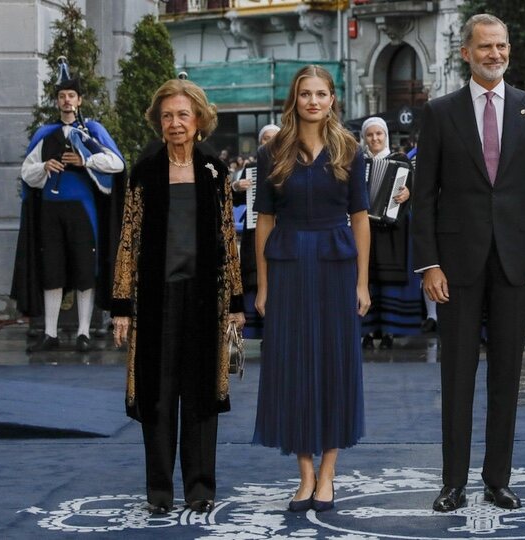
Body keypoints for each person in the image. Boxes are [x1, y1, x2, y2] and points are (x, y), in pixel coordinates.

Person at [412, 14, 525, 512]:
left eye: (501, 46)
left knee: (507, 375)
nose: (494, 54)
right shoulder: (439, 112)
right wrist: (429, 264)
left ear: (509, 50)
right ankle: (452, 481)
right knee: (455, 376)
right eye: (485, 47)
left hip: (516, 263)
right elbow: (425, 197)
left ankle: (498, 478)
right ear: (466, 53)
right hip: (455, 265)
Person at [111, 78, 244, 515]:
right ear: (158, 121)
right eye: (167, 116)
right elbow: (128, 236)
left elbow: (228, 236)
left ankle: (201, 487)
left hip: (205, 298)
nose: (175, 123)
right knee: (158, 395)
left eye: (183, 115)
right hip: (155, 300)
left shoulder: (213, 168)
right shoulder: (146, 167)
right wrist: (122, 306)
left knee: (202, 394)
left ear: (199, 120)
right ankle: (159, 492)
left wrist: (235, 303)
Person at [251, 65, 371, 514]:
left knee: (335, 364)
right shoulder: (272, 152)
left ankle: (328, 473)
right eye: (306, 94)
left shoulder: (349, 149)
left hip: (336, 265)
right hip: (286, 266)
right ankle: (304, 475)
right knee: (292, 366)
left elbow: (361, 220)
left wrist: (362, 282)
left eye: (321, 93)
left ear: (332, 99)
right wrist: (262, 285)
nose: (314, 101)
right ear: (294, 99)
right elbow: (263, 221)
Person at [14, 58, 124, 353]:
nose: (66, 101)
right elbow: (27, 172)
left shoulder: (92, 131)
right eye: (62, 96)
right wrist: (44, 167)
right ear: (56, 101)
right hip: (51, 210)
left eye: (71, 96)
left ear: (79, 100)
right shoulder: (45, 134)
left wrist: (85, 160)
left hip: (82, 210)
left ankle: (84, 333)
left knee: (85, 270)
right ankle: (49, 333)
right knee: (52, 270)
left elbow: (116, 163)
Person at [359, 116, 422, 349]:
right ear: (365, 138)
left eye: (379, 134)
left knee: (389, 280)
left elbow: (413, 189)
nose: (375, 138)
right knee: (367, 278)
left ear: (386, 136)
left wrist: (408, 193)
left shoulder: (401, 161)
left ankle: (389, 332)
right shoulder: (359, 162)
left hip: (394, 231)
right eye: (370, 134)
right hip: (365, 230)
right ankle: (366, 331)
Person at [231, 124, 280, 339]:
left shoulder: (292, 164)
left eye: (274, 138)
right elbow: (234, 199)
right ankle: (260, 330)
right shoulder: (250, 169)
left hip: (283, 232)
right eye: (265, 139)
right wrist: (236, 186)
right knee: (254, 279)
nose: (269, 142)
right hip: (256, 233)